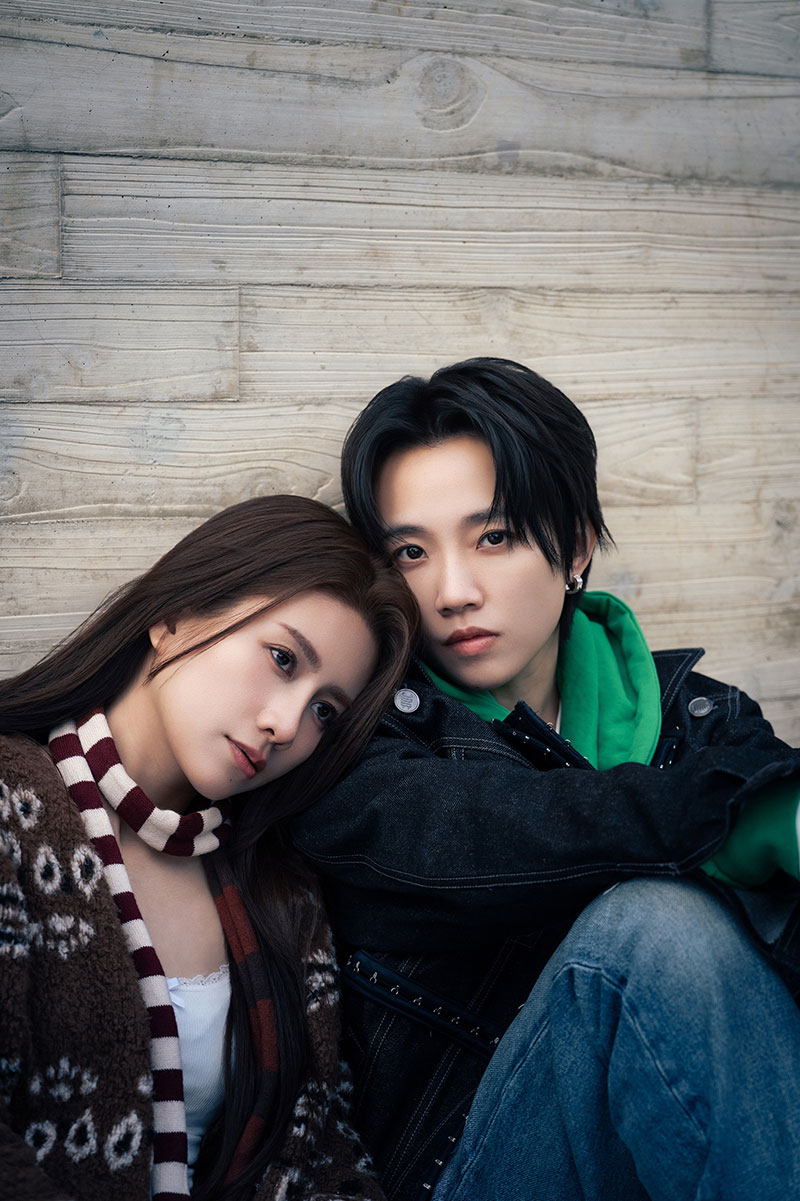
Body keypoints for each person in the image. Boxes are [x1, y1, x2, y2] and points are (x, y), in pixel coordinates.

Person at [290, 359, 800, 1201]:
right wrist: (729, 822)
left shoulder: (706, 723)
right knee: (654, 928)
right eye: (411, 551)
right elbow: (479, 832)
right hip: (472, 1171)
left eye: (492, 537)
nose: (452, 591)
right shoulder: (354, 740)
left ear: (574, 544)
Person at [0, 494, 418, 1201]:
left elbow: (321, 1155)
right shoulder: (12, 805)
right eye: (283, 658)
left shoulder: (279, 888)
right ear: (173, 618)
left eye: (325, 710)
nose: (288, 725)